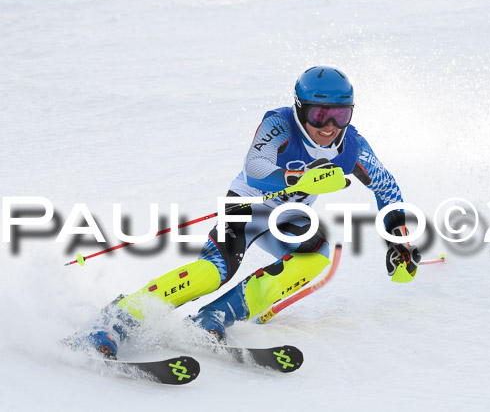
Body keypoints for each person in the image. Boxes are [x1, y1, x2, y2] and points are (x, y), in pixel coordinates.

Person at [83, 66, 422, 358]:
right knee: (211, 273)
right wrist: (299, 177)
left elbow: (386, 187)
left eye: (341, 115)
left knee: (317, 255)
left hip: (289, 218)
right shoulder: (280, 124)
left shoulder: (354, 149)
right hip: (246, 204)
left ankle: (215, 318)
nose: (330, 125)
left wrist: (399, 242)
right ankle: (116, 321)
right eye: (320, 114)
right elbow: (256, 165)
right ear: (301, 109)